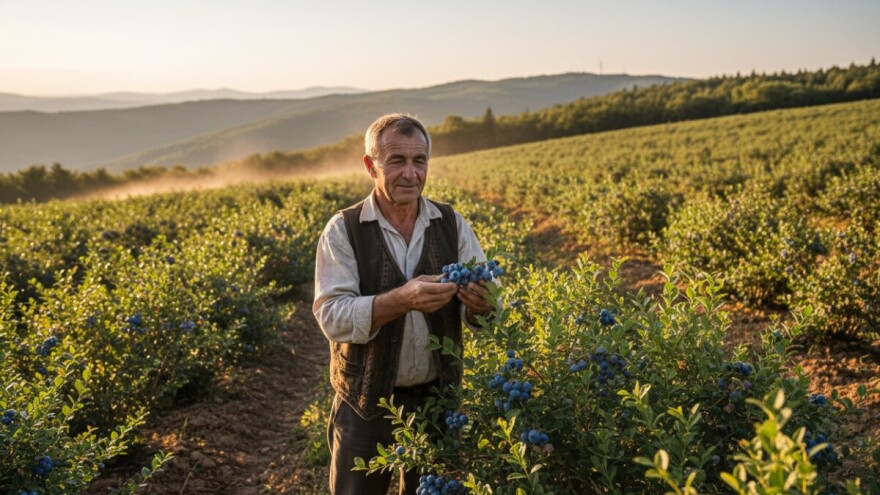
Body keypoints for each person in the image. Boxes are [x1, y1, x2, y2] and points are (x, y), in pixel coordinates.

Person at [313, 113, 494, 494]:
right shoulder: (344, 230)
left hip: (437, 400)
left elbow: (487, 308)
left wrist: (481, 305)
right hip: (365, 403)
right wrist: (401, 299)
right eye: (397, 161)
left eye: (419, 160)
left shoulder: (451, 223)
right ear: (370, 166)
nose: (410, 173)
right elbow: (332, 317)